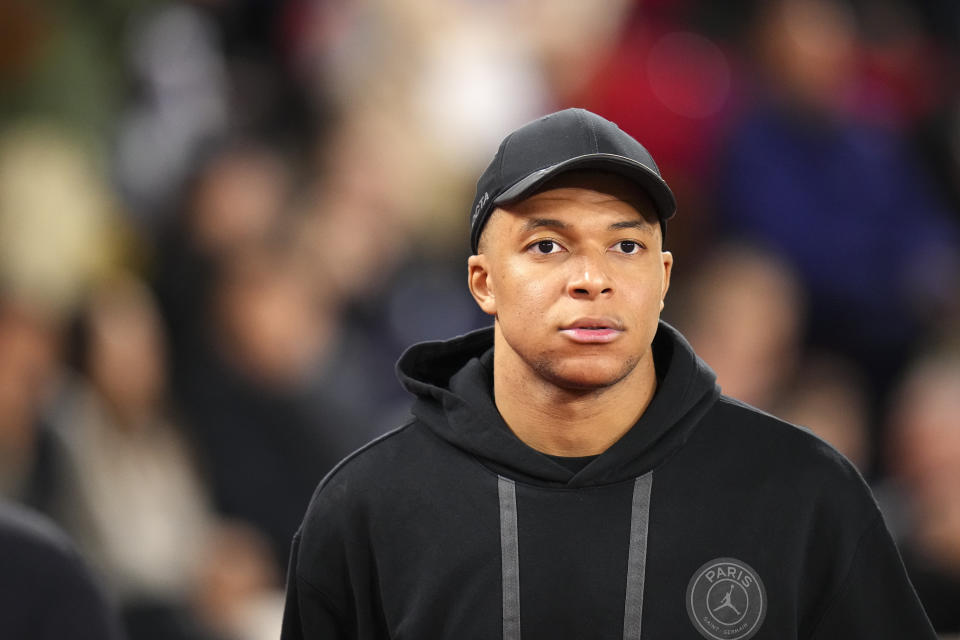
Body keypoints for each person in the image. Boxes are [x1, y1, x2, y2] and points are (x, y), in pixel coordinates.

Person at [280, 108, 935, 639]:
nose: (591, 280)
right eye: (547, 246)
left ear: (663, 279)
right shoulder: (365, 509)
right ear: (483, 281)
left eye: (626, 246)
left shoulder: (805, 494)